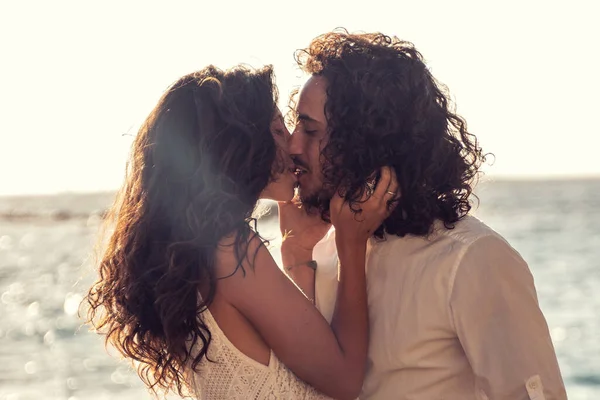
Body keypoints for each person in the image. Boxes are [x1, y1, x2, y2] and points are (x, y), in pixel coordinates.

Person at [282, 30, 568, 399]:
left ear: (364, 140)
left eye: (309, 129)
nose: (292, 144)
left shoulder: (473, 259)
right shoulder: (323, 254)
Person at [83, 64, 397, 400]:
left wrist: (298, 252)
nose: (292, 145)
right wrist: (351, 243)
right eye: (278, 130)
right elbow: (344, 381)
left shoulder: (196, 251)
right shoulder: (232, 250)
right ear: (238, 146)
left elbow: (293, 366)